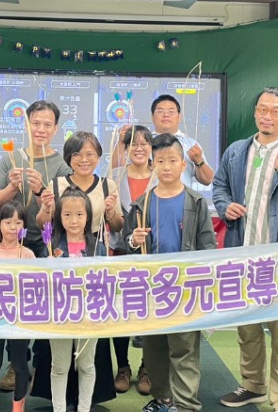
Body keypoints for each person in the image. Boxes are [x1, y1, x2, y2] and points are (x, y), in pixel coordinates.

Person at [212, 87, 278, 412]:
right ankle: (253, 386)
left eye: (275, 111)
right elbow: (219, 186)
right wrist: (225, 206)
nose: (267, 116)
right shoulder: (236, 151)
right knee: (247, 329)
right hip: (242, 257)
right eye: (262, 109)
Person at [123, 133, 217, 412]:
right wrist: (133, 240)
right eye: (161, 161)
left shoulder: (196, 202)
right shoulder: (142, 203)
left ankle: (186, 404)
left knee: (184, 349)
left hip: (185, 289)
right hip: (152, 290)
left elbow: (208, 247)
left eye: (173, 160)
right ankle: (163, 399)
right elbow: (129, 242)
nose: (166, 166)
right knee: (153, 349)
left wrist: (203, 282)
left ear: (183, 165)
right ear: (152, 165)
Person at [31, 132, 123, 409]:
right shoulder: (56, 184)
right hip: (60, 270)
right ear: (69, 158)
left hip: (92, 260)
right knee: (58, 362)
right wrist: (45, 207)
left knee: (88, 360)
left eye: (90, 154)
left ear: (99, 157)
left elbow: (118, 224)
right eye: (77, 154)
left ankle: (85, 405)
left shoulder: (107, 185)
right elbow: (43, 224)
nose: (84, 159)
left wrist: (110, 211)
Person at [0, 100, 72, 392]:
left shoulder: (61, 166)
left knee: (44, 305)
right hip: (13, 244)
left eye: (47, 124)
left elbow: (66, 211)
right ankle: (17, 363)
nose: (40, 129)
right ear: (26, 125)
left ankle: (39, 364)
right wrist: (12, 187)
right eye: (35, 123)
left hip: (47, 244)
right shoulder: (11, 158)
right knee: (13, 304)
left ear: (56, 129)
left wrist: (39, 190)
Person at [48, 188, 103, 412]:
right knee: (60, 367)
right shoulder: (51, 246)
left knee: (86, 365)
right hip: (59, 315)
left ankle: (84, 408)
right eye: (67, 215)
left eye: (79, 214)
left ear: (88, 216)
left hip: (89, 315)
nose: (73, 220)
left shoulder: (97, 247)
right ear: (59, 217)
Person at [111, 125, 156, 395]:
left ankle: (147, 367)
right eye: (133, 144)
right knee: (121, 313)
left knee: (148, 312)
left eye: (144, 143)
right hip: (120, 252)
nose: (139, 148)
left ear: (151, 147)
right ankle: (123, 367)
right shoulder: (114, 176)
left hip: (152, 256)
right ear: (126, 149)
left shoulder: (160, 175)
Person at [0, 201, 34, 412]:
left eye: (18, 222)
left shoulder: (28, 254)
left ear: (24, 226)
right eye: (8, 222)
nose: (13, 227)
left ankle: (18, 407)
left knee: (20, 364)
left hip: (19, 319)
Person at [112, 95, 213, 187]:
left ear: (179, 117)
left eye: (171, 111)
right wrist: (121, 142)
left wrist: (199, 161)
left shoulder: (191, 144)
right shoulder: (141, 142)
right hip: (147, 199)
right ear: (152, 117)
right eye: (160, 111)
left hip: (182, 199)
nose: (166, 115)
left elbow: (208, 180)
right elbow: (115, 172)